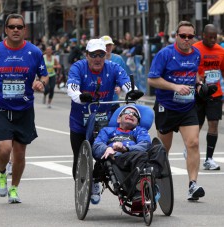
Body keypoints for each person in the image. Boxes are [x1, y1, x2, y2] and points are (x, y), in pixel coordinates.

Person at [0, 13, 49, 204]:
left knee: (19, 154)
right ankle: (2, 173)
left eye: (19, 27)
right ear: (6, 30)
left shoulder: (34, 52)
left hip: (24, 109)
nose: (16, 30)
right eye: (12, 27)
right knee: (4, 149)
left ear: (24, 29)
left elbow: (44, 75)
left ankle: (14, 188)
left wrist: (41, 83)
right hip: (1, 108)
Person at [67, 38, 142, 183]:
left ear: (106, 55)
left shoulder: (113, 67)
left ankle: (96, 181)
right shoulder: (78, 67)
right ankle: (81, 187)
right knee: (78, 155)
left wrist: (133, 91)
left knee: (104, 153)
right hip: (79, 121)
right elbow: (72, 88)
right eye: (93, 55)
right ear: (87, 55)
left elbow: (126, 83)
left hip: (103, 120)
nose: (97, 59)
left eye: (101, 55)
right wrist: (80, 96)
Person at [147, 21, 205, 201]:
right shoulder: (165, 54)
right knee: (163, 150)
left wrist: (200, 85)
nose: (187, 40)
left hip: (187, 107)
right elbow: (152, 79)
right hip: (167, 107)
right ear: (176, 36)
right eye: (183, 36)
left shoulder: (196, 54)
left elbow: (194, 74)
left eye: (190, 36)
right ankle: (155, 182)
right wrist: (175, 87)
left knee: (193, 143)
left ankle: (192, 185)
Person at [92, 105, 161, 205]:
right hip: (116, 158)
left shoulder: (140, 131)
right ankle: (138, 191)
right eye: (127, 112)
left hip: (136, 155)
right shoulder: (107, 130)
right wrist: (107, 148)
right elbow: (96, 145)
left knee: (157, 148)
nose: (131, 115)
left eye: (135, 115)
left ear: (137, 122)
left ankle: (151, 182)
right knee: (141, 157)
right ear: (119, 119)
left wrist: (126, 148)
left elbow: (145, 144)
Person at [192, 24, 224, 170]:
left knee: (213, 124)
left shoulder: (221, 51)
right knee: (196, 125)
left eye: (214, 37)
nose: (212, 40)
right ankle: (191, 148)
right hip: (199, 93)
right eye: (210, 37)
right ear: (203, 35)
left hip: (215, 93)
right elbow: (190, 69)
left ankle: (209, 159)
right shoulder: (195, 49)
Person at [100, 35, 127, 112]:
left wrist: (120, 87)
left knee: (114, 123)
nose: (107, 47)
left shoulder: (118, 59)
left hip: (114, 101)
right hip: (99, 101)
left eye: (109, 45)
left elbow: (123, 77)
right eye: (105, 45)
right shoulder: (96, 60)